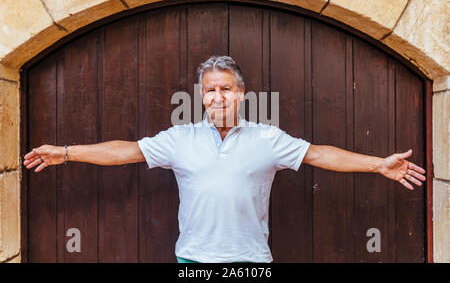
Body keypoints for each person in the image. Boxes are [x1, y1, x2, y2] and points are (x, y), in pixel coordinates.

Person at [23, 55, 426, 263]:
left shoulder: (268, 138)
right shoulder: (179, 138)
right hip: (193, 258)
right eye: (210, 90)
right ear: (202, 96)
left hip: (250, 260)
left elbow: (320, 154)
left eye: (226, 89)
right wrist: (66, 152)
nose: (218, 97)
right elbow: (127, 150)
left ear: (242, 94)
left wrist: (378, 164)